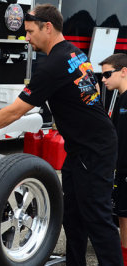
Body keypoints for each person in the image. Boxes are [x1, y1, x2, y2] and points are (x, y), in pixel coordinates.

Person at [0, 4, 123, 265]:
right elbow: (80, 97)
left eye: (31, 31)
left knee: (98, 218)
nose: (27, 37)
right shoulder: (74, 53)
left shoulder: (54, 63)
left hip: (94, 149)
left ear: (48, 27)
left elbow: (14, 111)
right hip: (82, 147)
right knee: (73, 216)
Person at [99, 53, 127, 265]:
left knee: (124, 217)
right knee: (122, 217)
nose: (103, 79)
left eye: (107, 74)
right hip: (120, 169)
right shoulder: (120, 98)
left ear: (123, 71)